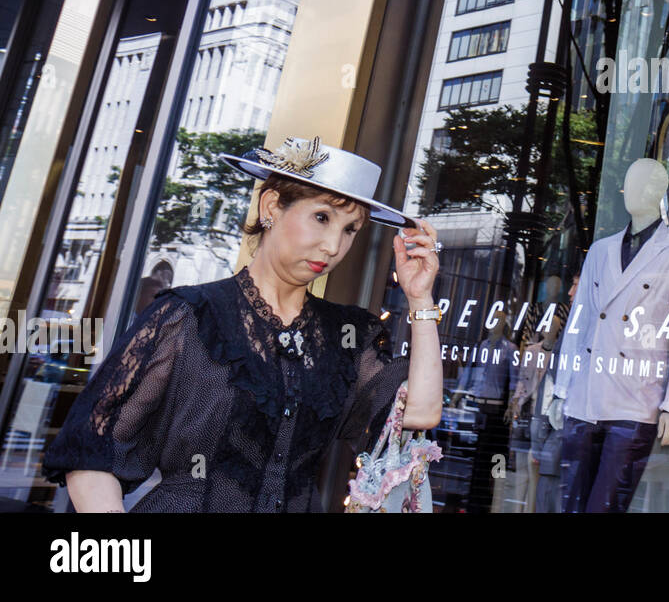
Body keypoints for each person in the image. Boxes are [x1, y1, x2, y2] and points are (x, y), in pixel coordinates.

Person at [41, 136, 444, 512]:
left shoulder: (349, 335)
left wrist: (420, 298)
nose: (333, 246)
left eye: (349, 229)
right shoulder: (188, 315)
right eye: (321, 217)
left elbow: (420, 413)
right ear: (270, 207)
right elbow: (90, 452)